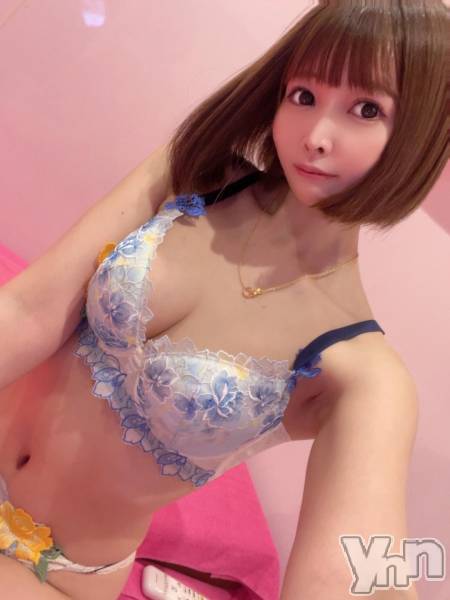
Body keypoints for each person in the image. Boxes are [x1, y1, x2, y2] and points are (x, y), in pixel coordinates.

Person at [0, 1, 448, 598]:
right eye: (303, 94)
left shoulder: (364, 374)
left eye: (367, 109)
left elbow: (353, 571)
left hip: (55, 571)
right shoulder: (194, 173)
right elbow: (30, 309)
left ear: (421, 134)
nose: (315, 137)